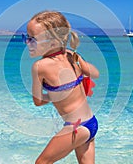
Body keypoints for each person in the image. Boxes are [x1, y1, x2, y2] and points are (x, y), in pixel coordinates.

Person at [23, 10, 99, 164]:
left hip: (76, 127)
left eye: (33, 39)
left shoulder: (40, 66)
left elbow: (37, 101)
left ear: (52, 42)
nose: (27, 43)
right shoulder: (72, 55)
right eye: (26, 37)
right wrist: (81, 64)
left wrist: (54, 95)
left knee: (42, 162)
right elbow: (95, 73)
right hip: (91, 123)